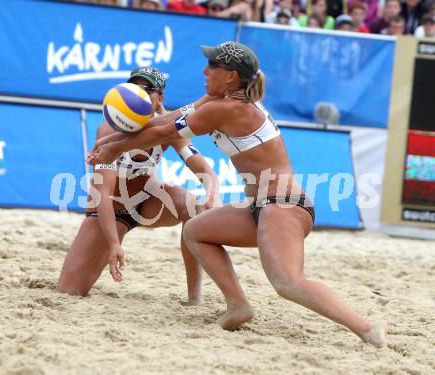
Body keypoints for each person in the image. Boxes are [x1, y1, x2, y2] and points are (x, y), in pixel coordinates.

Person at [87, 41, 388, 348]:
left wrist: (112, 146)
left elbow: (165, 132)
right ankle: (237, 305)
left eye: (212, 66)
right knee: (196, 231)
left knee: (288, 282)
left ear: (231, 76)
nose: (205, 70)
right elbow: (168, 118)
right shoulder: (217, 100)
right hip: (262, 204)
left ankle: (366, 328)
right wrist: (111, 140)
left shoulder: (226, 109)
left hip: (283, 204)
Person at [58, 66, 219, 305]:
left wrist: (212, 196)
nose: (139, 94)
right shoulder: (110, 129)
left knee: (194, 207)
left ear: (159, 98)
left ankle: (194, 299)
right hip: (111, 212)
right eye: (134, 88)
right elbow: (103, 194)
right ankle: (107, 247)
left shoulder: (168, 129)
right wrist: (114, 244)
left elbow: (205, 170)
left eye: (147, 89)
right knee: (69, 291)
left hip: (147, 204)